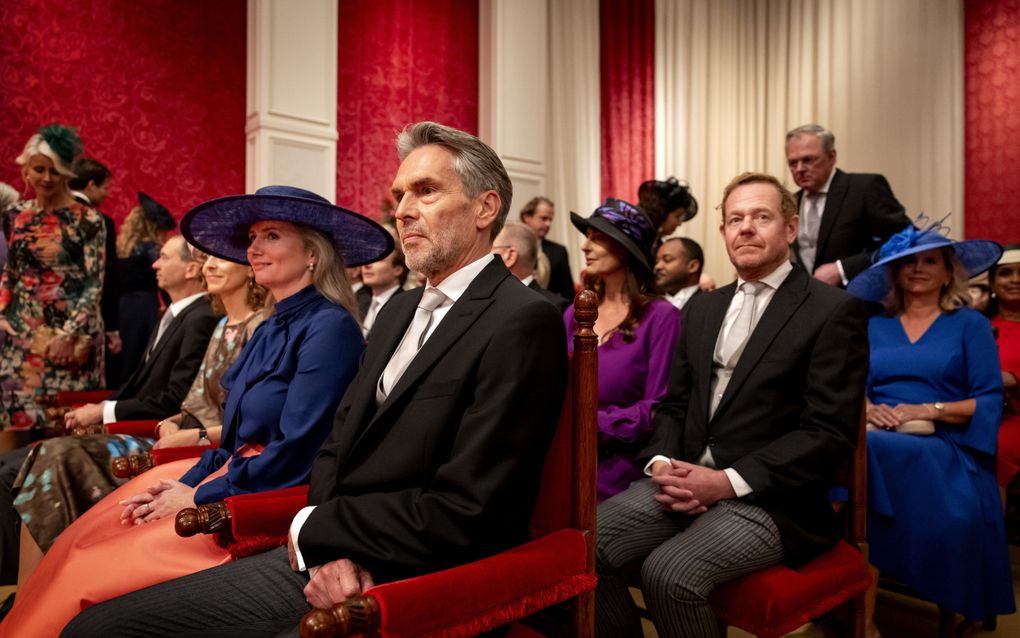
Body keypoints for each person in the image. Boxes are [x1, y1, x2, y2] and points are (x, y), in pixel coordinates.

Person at [61, 121, 568, 638]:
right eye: (399, 195)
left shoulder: (520, 319)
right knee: (96, 625)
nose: (403, 209)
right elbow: (336, 443)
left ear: (485, 209)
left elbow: (471, 507)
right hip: (328, 551)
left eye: (426, 191)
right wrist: (325, 542)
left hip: (412, 578)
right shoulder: (401, 312)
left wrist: (322, 533)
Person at [1, 184, 390, 637]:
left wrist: (197, 496)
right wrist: (181, 482)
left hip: (264, 503)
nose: (254, 249)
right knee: (84, 539)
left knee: (92, 570)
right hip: (231, 481)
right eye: (252, 238)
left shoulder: (331, 328)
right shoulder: (269, 327)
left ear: (312, 255)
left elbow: (296, 455)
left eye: (272, 236)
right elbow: (232, 442)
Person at [595, 172, 869, 638]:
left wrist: (725, 482)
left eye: (761, 216)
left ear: (790, 228)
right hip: (682, 478)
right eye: (734, 219)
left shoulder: (831, 311)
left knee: (669, 573)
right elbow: (675, 403)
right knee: (585, 548)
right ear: (722, 232)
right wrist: (661, 462)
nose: (745, 228)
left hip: (773, 499)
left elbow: (827, 432)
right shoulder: (701, 309)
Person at [10, 255, 266, 581]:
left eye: (222, 259)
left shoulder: (260, 327)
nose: (209, 266)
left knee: (57, 456)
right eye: (207, 259)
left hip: (203, 451)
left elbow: (246, 426)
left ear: (250, 270)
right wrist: (173, 421)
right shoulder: (220, 326)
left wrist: (194, 436)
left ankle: (40, 593)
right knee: (47, 455)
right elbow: (192, 401)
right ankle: (30, 593)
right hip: (179, 435)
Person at [846, 224, 1013, 635]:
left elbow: (988, 399)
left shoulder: (969, 325)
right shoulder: (873, 326)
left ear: (948, 271)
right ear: (894, 273)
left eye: (930, 261)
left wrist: (927, 409)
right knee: (855, 447)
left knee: (868, 457)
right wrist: (870, 410)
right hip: (879, 435)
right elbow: (855, 389)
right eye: (908, 262)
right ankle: (856, 611)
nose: (918, 268)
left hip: (945, 444)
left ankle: (860, 614)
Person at [567, 199, 681, 502]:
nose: (585, 247)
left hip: (619, 469)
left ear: (625, 247)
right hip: (564, 459)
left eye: (598, 238)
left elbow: (657, 407)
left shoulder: (661, 317)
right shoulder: (577, 310)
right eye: (587, 236)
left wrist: (589, 423)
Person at [0, 124, 105, 430]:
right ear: (27, 171)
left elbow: (93, 282)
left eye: (55, 171)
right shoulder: (15, 214)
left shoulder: (88, 218)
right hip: (22, 334)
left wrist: (68, 332)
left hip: (71, 335)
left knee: (64, 423)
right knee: (13, 418)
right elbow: (12, 272)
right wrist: (3, 312)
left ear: (66, 173)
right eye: (40, 169)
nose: (47, 178)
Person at [62, 235, 217, 429]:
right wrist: (102, 407)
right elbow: (141, 385)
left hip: (152, 432)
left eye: (164, 257)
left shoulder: (201, 319)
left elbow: (176, 400)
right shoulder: (175, 314)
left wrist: (104, 411)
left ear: (191, 269)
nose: (155, 265)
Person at [785, 124, 911, 286]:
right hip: (809, 303)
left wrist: (843, 268)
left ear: (832, 157)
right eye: (793, 163)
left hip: (858, 301)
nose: (800, 169)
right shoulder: (790, 203)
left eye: (808, 160)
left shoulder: (865, 188)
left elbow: (905, 239)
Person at [114, 192, 177, 384]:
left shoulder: (124, 249)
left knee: (127, 353)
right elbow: (165, 280)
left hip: (122, 307)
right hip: (143, 306)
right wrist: (174, 305)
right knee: (140, 352)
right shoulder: (151, 248)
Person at [68, 158, 121, 385]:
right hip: (86, 318)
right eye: (105, 187)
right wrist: (112, 328)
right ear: (91, 185)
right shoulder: (99, 221)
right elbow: (106, 277)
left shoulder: (49, 215)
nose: (107, 194)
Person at [986, 245, 1020, 489]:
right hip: (984, 416)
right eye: (1006, 273)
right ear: (992, 283)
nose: (1015, 280)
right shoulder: (977, 327)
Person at [493, 221, 571, 313]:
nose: (483, 256)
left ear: (510, 256)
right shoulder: (487, 299)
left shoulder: (554, 307)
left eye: (490, 247)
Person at [520, 195, 575, 301]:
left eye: (550, 219)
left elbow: (568, 294)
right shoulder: (510, 248)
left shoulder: (559, 251)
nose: (548, 224)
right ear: (527, 217)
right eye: (544, 218)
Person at [357, 246, 407, 338]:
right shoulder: (360, 302)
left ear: (398, 270)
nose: (367, 265)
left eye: (378, 259)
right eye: (367, 259)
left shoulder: (406, 307)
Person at [637, 177, 698, 246]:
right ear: (661, 213)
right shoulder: (634, 239)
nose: (680, 223)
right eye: (677, 216)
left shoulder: (660, 247)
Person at [655, 237, 704, 311]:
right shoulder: (650, 303)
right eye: (657, 261)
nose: (657, 266)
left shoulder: (709, 306)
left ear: (692, 266)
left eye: (667, 259)